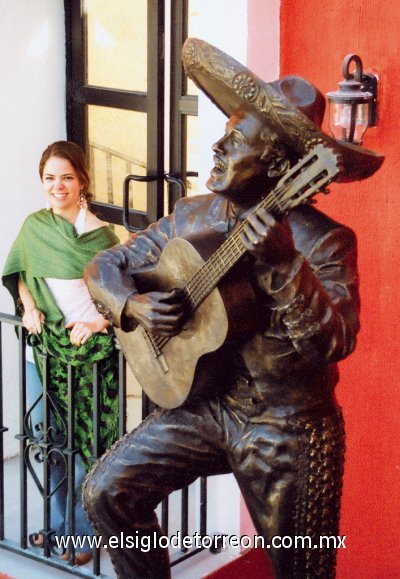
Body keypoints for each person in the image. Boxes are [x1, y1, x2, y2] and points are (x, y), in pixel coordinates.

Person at [82, 39, 383, 578]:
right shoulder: (192, 214)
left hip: (286, 425)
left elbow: (334, 342)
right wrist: (133, 304)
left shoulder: (325, 241)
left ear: (276, 164)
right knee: (107, 491)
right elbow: (105, 266)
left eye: (235, 141)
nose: (216, 148)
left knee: (303, 572)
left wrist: (286, 266)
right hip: (204, 404)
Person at [2, 141, 120, 566]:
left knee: (88, 446)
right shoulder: (35, 227)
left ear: (82, 181)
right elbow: (19, 271)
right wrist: (28, 306)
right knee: (48, 442)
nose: (58, 186)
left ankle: (86, 534)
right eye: (49, 178)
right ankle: (56, 529)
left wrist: (99, 323)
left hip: (89, 354)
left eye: (66, 177)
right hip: (43, 354)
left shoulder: (103, 236)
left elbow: (124, 297)